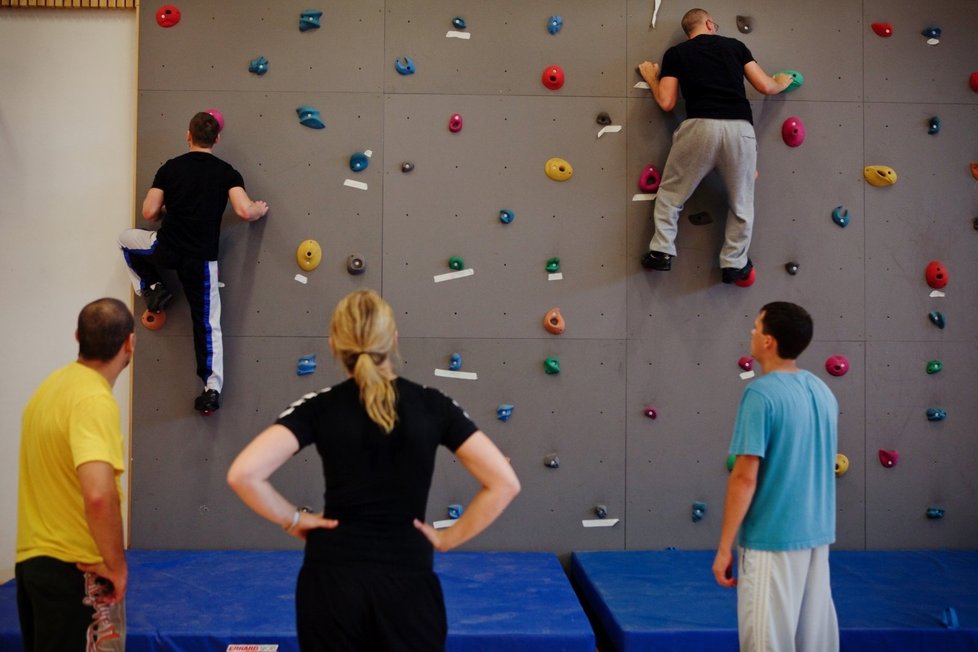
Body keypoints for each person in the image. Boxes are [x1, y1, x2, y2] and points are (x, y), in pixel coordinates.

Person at [227, 289, 520, 651]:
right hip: (406, 580)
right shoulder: (432, 405)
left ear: (334, 343)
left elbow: (243, 474)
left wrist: (293, 520)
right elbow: (504, 483)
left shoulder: (319, 407)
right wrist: (448, 538)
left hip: (332, 582)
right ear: (393, 340)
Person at [118, 111, 269, 414]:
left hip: (166, 248)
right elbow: (243, 211)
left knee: (125, 240)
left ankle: (152, 287)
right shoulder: (227, 172)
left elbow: (149, 212)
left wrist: (164, 211)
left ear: (188, 136)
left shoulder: (170, 168)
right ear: (216, 139)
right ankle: (211, 389)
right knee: (207, 323)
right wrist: (259, 210)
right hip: (201, 261)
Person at [713, 302, 839, 651]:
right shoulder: (823, 392)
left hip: (773, 540)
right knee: (814, 644)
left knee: (767, 644)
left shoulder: (760, 394)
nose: (751, 334)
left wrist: (725, 547)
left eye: (755, 327)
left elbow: (744, 478)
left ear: (768, 341)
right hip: (817, 538)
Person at [638, 8, 792, 283]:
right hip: (739, 129)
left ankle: (661, 251)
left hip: (700, 127)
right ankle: (734, 264)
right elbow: (766, 87)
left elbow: (667, 102)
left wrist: (652, 76)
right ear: (710, 24)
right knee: (741, 202)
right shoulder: (735, 47)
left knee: (672, 195)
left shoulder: (677, 54)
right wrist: (782, 82)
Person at [16, 298, 134, 652]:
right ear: (130, 343)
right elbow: (98, 494)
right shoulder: (93, 399)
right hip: (81, 570)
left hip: (33, 568)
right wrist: (116, 567)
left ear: (77, 336)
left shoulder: (48, 391)